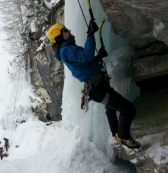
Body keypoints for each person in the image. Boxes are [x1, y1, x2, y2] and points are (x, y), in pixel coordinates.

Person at [47, 21, 141, 149]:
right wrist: (90, 34)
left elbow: (85, 63)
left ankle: (115, 135)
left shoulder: (67, 49)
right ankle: (123, 136)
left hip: (97, 86)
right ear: (59, 37)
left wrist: (98, 57)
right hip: (97, 88)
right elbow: (86, 55)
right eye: (65, 30)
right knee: (128, 109)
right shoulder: (67, 50)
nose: (68, 31)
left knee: (111, 108)